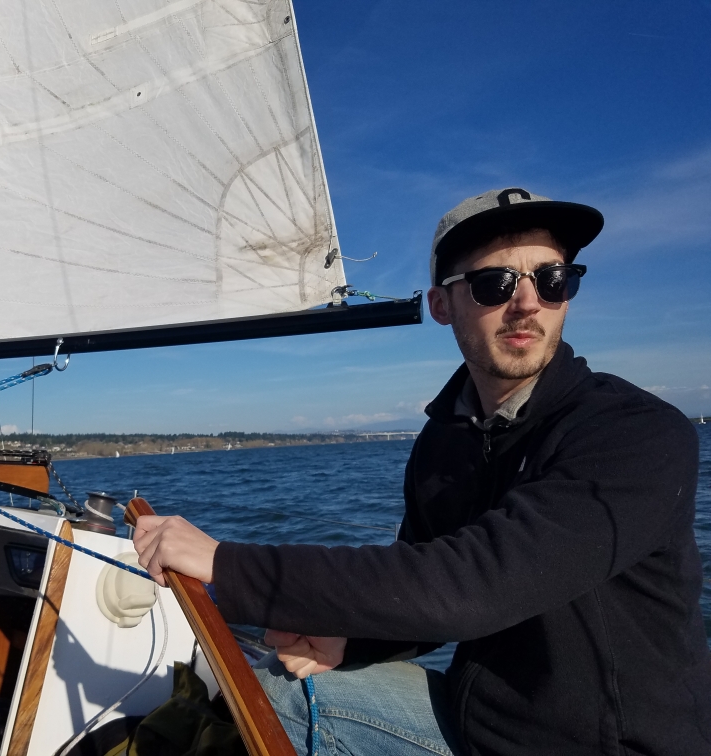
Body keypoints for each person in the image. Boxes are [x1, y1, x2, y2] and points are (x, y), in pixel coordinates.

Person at [133, 188, 711, 756]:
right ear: (441, 305)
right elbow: (425, 598)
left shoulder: (636, 433)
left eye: (553, 278)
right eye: (495, 283)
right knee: (276, 685)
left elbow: (476, 586)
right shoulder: (444, 441)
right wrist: (350, 638)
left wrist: (225, 564)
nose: (528, 302)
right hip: (482, 723)